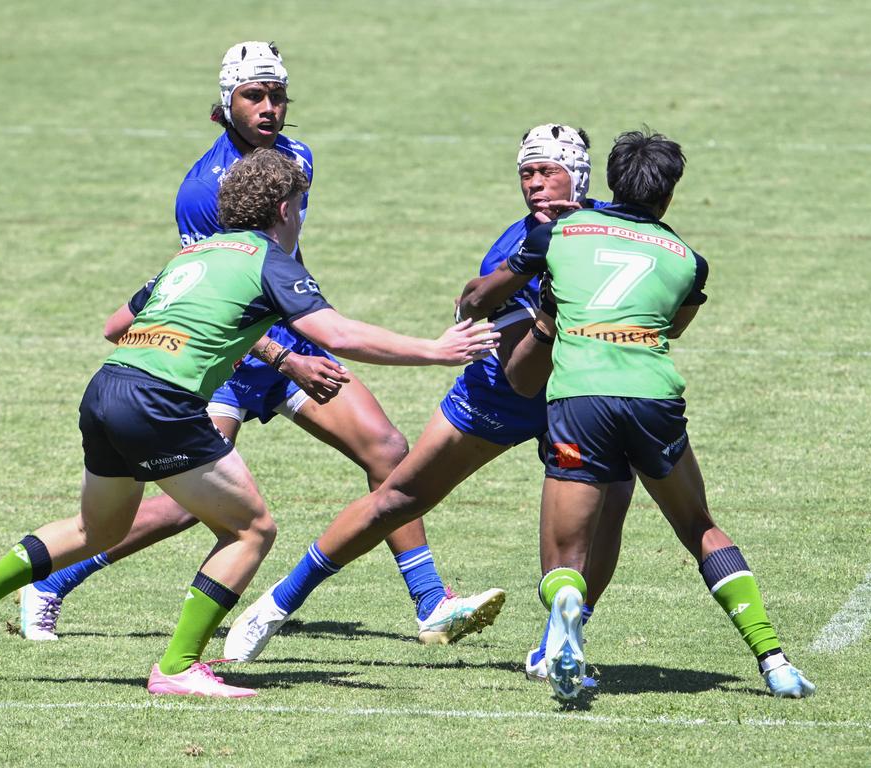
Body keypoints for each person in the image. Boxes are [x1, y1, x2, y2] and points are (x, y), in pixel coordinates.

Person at [0, 148, 499, 697]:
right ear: (285, 208)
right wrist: (435, 350)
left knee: (96, 531)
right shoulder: (269, 258)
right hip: (159, 401)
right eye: (301, 205)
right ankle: (177, 667)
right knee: (252, 530)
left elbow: (116, 324)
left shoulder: (194, 254)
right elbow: (337, 335)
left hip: (107, 389)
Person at [18, 41, 503, 647]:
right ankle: (53, 583)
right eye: (255, 96)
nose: (269, 107)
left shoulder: (296, 157)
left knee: (386, 447)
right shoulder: (204, 191)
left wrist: (299, 332)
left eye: (278, 95)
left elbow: (280, 262)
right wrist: (287, 358)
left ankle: (431, 603)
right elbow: (217, 293)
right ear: (226, 104)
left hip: (289, 339)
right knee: (180, 507)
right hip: (229, 358)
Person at [223, 124, 635, 675]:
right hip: (503, 390)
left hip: (577, 394)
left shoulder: (608, 229)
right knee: (399, 497)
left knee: (609, 505)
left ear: (578, 176)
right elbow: (514, 367)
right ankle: (278, 605)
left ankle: (562, 638)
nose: (534, 184)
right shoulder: (512, 249)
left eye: (547, 172)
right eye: (526, 174)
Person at [456, 129, 816, 702]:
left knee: (565, 556)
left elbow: (479, 303)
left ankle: (562, 625)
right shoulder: (689, 262)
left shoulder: (558, 234)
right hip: (653, 399)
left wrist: (529, 306)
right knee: (699, 525)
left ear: (607, 183)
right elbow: (670, 327)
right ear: (668, 196)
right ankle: (773, 661)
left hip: (578, 402)